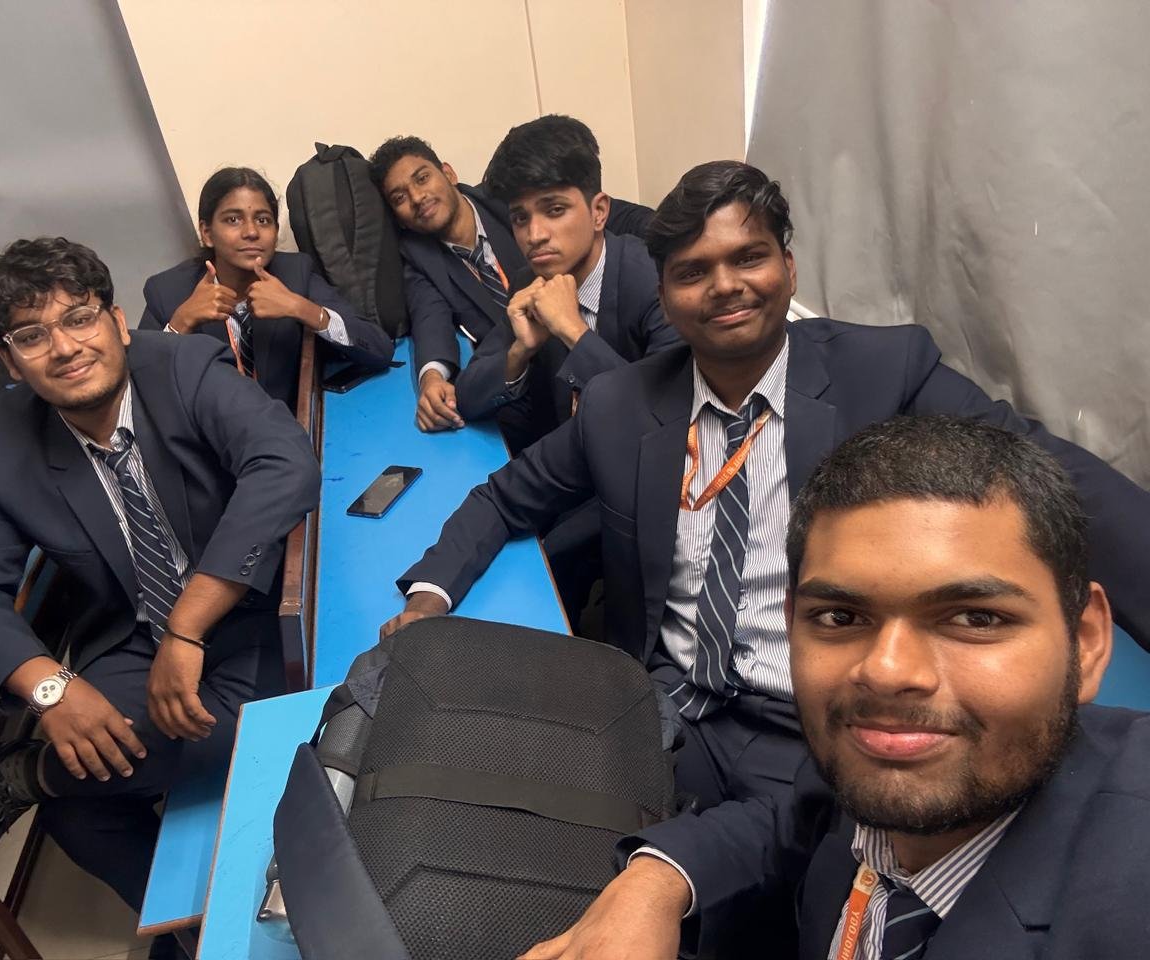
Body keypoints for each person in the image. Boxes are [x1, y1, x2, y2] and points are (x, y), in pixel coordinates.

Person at [383, 160, 1150, 819]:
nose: (725, 286)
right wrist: (427, 600)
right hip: (668, 709)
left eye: (748, 258)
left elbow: (1044, 471)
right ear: (666, 295)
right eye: (693, 272)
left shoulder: (881, 374)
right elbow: (504, 497)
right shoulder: (622, 405)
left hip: (822, 719)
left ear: (788, 266)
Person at [518, 415, 1149, 960]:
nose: (887, 671)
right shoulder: (877, 759)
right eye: (841, 617)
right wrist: (653, 883)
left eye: (975, 618)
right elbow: (791, 822)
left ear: (1086, 641)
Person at [0, 238, 321, 918]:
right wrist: (54, 689)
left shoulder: (185, 366)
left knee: (271, 725)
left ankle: (26, 775)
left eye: (79, 318)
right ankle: (195, 935)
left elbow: (283, 463)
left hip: (242, 612)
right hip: (131, 632)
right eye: (31, 336)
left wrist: (187, 626)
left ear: (117, 321)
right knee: (78, 811)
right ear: (10, 362)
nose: (65, 348)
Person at [368, 133, 657, 437]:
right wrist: (435, 376)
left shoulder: (505, 197)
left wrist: (673, 247)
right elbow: (430, 320)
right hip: (539, 389)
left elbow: (662, 418)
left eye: (422, 178)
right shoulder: (427, 258)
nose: (417, 197)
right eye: (399, 197)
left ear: (448, 173)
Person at [453, 115, 681, 448]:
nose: (535, 235)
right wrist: (520, 350)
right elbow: (468, 396)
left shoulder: (656, 284)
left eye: (555, 210)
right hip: (562, 461)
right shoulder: (530, 282)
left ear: (599, 212)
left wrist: (572, 331)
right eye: (520, 217)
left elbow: (661, 423)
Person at [140, 167, 394, 408]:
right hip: (209, 435)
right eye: (233, 220)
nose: (251, 232)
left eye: (263, 220)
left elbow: (379, 349)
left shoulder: (294, 273)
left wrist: (300, 307)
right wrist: (179, 325)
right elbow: (139, 395)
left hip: (285, 429)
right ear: (207, 233)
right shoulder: (168, 291)